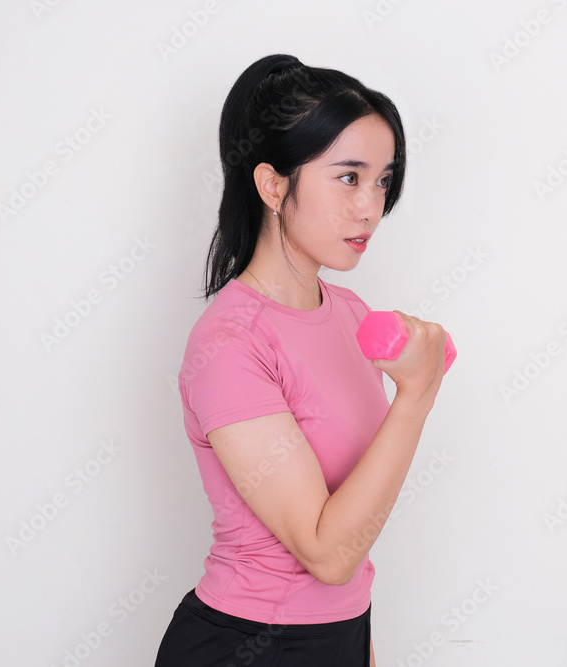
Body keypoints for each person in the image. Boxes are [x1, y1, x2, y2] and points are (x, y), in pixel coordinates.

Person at [155, 53, 449, 667]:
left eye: (383, 180)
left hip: (341, 636)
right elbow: (327, 553)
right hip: (246, 643)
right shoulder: (229, 343)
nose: (370, 207)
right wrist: (416, 396)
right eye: (349, 177)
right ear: (272, 185)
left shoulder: (350, 314)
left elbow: (352, 553)